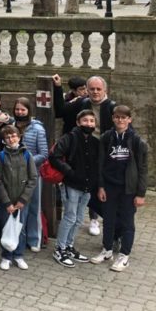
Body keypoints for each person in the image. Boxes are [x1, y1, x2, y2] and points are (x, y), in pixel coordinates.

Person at [53, 74, 116, 236]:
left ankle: (96, 220)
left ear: (105, 90)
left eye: (98, 89)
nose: (95, 92)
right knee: (84, 188)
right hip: (82, 152)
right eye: (91, 89)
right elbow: (60, 111)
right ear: (86, 90)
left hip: (103, 154)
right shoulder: (82, 102)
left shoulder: (112, 107)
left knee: (100, 188)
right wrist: (58, 87)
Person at [91, 106, 148, 272]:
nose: (120, 120)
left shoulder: (137, 141)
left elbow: (143, 169)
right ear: (113, 118)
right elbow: (100, 164)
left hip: (128, 189)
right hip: (109, 186)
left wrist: (141, 194)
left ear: (129, 119)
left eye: (124, 117)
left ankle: (124, 256)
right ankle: (107, 250)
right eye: (117, 117)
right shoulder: (106, 137)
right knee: (108, 220)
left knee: (127, 222)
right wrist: (101, 186)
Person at [49, 109, 100, 268]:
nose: (89, 124)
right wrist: (70, 172)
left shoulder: (95, 142)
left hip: (87, 186)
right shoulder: (69, 138)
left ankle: (69, 246)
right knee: (70, 217)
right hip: (71, 184)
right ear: (78, 122)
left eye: (92, 121)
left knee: (78, 219)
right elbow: (54, 157)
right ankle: (59, 248)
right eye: (85, 121)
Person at [0, 125, 37, 271]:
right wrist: (6, 202)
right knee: (6, 227)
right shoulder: (0, 156)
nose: (11, 139)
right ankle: (6, 257)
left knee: (20, 228)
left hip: (22, 202)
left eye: (13, 136)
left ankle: (19, 255)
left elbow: (33, 178)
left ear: (19, 137)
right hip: (7, 202)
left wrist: (23, 199)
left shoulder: (27, 155)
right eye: (7, 137)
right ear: (4, 140)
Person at [13, 97, 49, 252]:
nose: (20, 112)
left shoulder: (37, 129)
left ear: (28, 110)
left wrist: (26, 161)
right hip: (14, 174)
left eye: (23, 109)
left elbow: (44, 153)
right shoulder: (11, 126)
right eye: (17, 109)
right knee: (18, 207)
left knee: (34, 206)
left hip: (33, 174)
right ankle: (17, 237)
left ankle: (34, 239)